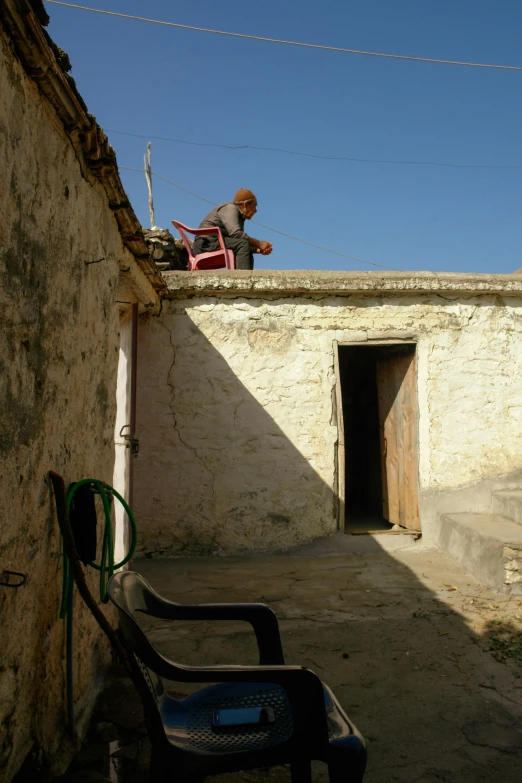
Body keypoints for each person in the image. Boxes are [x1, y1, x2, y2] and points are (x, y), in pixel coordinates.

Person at [192, 189, 273, 270]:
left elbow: (237, 240)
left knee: (246, 247)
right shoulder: (231, 208)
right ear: (246, 204)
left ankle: (247, 279)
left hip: (213, 242)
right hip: (205, 244)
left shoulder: (240, 216)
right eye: (254, 206)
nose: (255, 210)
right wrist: (259, 243)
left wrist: (258, 250)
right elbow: (236, 234)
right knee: (243, 244)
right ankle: (242, 279)